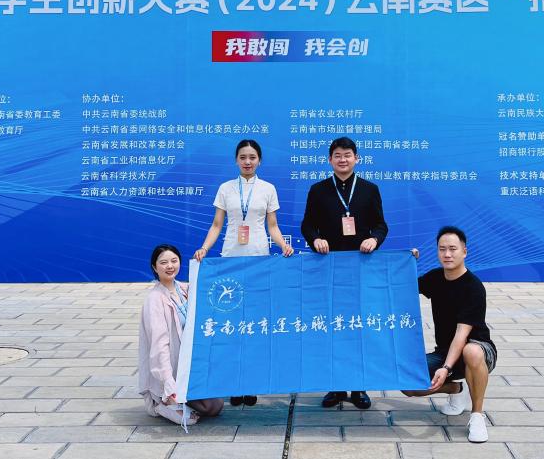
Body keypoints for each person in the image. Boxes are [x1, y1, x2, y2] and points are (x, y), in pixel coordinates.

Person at [194, 139, 293, 406]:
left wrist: (283, 245)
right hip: (231, 260)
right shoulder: (225, 188)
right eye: (242, 157)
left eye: (252, 157)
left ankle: (251, 384)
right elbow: (217, 225)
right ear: (236, 160)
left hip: (259, 260)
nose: (247, 162)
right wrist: (204, 248)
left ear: (259, 160)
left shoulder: (268, 188)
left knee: (255, 323)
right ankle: (233, 385)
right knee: (232, 323)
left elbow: (273, 226)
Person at [300, 136, 388, 410]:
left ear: (356, 158)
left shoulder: (370, 190)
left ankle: (359, 387)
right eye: (337, 155)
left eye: (347, 155)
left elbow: (381, 225)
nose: (342, 159)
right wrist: (315, 240)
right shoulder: (318, 190)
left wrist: (374, 239)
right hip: (329, 270)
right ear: (329, 160)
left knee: (359, 327)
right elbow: (307, 225)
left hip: (361, 269)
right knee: (334, 326)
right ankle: (336, 386)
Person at [402, 226, 496, 443]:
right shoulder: (435, 278)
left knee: (471, 351)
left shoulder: (473, 287)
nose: (447, 254)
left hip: (479, 351)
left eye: (453, 249)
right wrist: (407, 263)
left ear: (464, 251)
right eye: (442, 249)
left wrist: (445, 368)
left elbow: (461, 335)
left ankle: (477, 416)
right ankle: (457, 388)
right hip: (445, 352)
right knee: (407, 382)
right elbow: (402, 286)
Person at [138, 244, 224, 427]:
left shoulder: (183, 289)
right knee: (206, 410)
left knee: (216, 406)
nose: (170, 266)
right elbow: (159, 345)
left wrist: (202, 259)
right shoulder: (155, 300)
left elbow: (212, 288)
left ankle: (181, 399)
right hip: (170, 368)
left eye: (174, 261)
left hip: (188, 365)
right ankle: (161, 403)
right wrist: (168, 382)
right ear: (154, 267)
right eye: (163, 263)